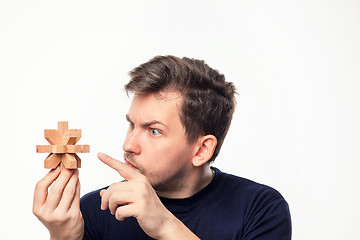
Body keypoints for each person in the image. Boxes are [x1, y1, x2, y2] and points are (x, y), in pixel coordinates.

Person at [33, 55, 291, 240]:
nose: (128, 145)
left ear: (202, 150)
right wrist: (63, 237)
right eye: (131, 125)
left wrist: (166, 226)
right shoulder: (93, 210)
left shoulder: (260, 209)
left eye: (154, 131)